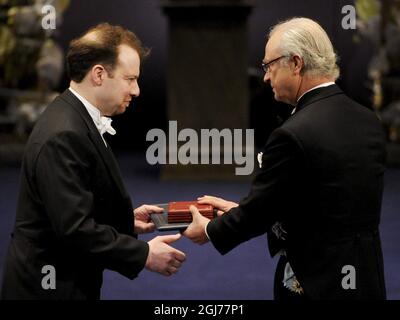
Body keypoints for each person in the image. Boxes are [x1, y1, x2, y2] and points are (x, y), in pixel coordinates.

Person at [183, 17, 387, 300]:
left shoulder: (292, 133)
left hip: (313, 283)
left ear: (295, 63)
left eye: (269, 65)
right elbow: (325, 203)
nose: (265, 76)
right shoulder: (369, 121)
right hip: (365, 280)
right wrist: (241, 210)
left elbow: (257, 214)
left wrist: (210, 229)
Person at [1, 23, 186, 300]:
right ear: (99, 74)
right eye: (130, 79)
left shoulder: (73, 115)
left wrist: (123, 220)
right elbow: (74, 230)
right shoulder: (64, 133)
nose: (136, 91)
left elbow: (71, 204)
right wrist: (144, 254)